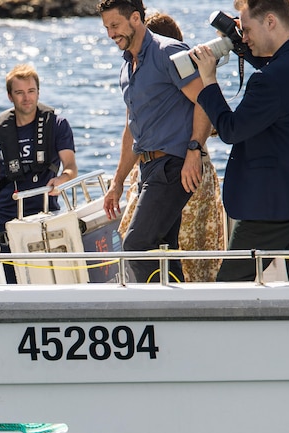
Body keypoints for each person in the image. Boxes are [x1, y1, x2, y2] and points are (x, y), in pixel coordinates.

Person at [98, 0, 212, 283]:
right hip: (148, 170)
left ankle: (151, 311)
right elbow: (131, 129)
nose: (110, 34)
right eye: (106, 28)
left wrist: (194, 151)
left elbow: (207, 101)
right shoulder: (127, 68)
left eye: (115, 25)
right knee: (165, 251)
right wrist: (118, 181)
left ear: (135, 18)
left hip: (174, 167)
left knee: (135, 246)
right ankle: (176, 316)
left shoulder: (169, 52)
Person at [191, 0, 289, 281]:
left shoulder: (269, 81)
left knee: (229, 289)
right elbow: (278, 65)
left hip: (272, 207)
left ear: (271, 22)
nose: (246, 36)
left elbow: (230, 130)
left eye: (248, 29)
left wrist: (209, 79)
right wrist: (240, 44)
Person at [0, 63, 77, 284]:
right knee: (10, 285)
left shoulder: (58, 125)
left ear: (38, 92)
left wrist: (61, 179)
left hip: (43, 216)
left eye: (31, 91)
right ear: (10, 96)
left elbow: (70, 167)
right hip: (5, 220)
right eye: (19, 93)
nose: (26, 98)